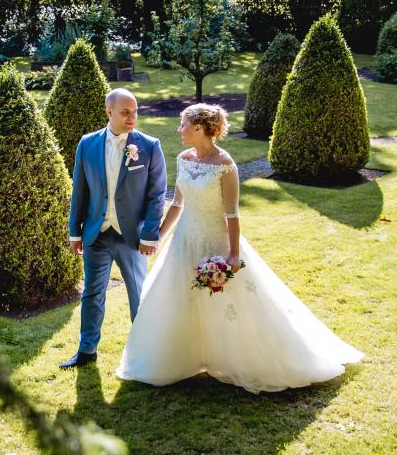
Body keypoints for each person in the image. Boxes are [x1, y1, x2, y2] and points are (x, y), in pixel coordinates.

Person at [117, 103, 364, 391]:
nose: (179, 129)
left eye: (183, 124)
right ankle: (187, 357)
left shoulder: (225, 164)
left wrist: (233, 253)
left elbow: (231, 214)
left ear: (199, 128)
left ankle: (241, 357)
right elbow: (178, 204)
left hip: (216, 239)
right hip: (184, 240)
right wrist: (158, 236)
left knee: (226, 303)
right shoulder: (184, 158)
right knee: (181, 297)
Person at [60, 88, 167, 369]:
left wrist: (149, 234)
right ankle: (86, 350)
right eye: (125, 112)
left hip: (132, 236)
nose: (132, 117)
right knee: (92, 294)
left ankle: (146, 353)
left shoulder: (149, 145)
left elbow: (158, 194)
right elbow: (79, 191)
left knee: (138, 294)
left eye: (135, 111)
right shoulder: (87, 144)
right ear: (109, 112)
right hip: (95, 233)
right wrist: (75, 232)